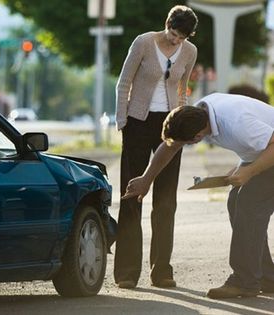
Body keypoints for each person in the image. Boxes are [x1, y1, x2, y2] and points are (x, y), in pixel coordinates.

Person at [124, 92, 274, 299]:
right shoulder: (198, 113)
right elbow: (171, 146)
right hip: (263, 151)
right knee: (236, 202)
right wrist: (146, 179)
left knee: (248, 203)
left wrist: (248, 171)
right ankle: (267, 277)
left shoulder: (237, 123)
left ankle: (244, 281)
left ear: (196, 138)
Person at [114, 5, 198, 289]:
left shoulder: (190, 51)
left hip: (171, 127)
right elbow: (124, 82)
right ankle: (126, 271)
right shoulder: (143, 42)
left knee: (166, 201)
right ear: (167, 24)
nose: (177, 41)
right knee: (132, 193)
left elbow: (182, 89)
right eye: (174, 34)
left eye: (182, 37)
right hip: (138, 122)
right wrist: (122, 120)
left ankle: (162, 270)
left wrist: (184, 124)